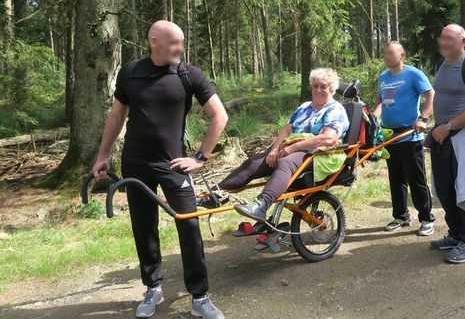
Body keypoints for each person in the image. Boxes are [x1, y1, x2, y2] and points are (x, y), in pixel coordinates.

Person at [91, 20, 228, 319]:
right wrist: (102, 155)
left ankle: (200, 296)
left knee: (189, 225)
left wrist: (200, 157)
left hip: (174, 165)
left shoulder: (188, 74)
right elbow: (116, 116)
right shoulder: (130, 73)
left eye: (181, 42)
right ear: (154, 41)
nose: (180, 48)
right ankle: (152, 287)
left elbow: (220, 115)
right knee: (144, 227)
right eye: (174, 43)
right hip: (136, 164)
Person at [218, 68, 350, 221]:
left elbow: (328, 139)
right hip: (292, 148)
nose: (318, 90)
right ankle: (216, 193)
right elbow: (286, 129)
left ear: (332, 89)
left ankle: (261, 205)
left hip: (319, 152)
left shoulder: (335, 109)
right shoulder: (304, 107)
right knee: (255, 162)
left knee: (285, 162)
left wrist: (292, 148)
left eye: (323, 86)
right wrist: (274, 150)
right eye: (315, 86)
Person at [429, 24, 465, 264]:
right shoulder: (441, 65)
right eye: (442, 37)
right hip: (442, 135)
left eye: (449, 38)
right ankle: (456, 234)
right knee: (445, 189)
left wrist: (449, 126)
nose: (443, 42)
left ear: (463, 41)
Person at [373, 41, 437, 236]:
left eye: (391, 53)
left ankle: (426, 218)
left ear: (402, 55)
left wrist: (423, 118)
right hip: (389, 135)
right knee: (396, 178)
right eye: (385, 54)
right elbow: (380, 101)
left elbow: (430, 94)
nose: (387, 57)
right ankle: (401, 216)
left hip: (410, 134)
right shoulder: (383, 77)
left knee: (416, 179)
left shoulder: (413, 74)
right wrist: (374, 117)